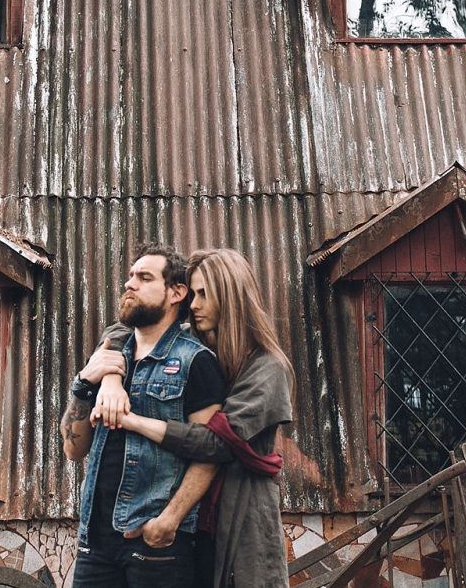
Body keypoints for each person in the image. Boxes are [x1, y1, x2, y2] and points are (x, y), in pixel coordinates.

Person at [93, 248, 294, 588]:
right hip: (193, 516)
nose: (194, 305)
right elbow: (122, 330)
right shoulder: (197, 346)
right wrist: (111, 381)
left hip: (240, 510)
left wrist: (132, 421)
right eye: (192, 294)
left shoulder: (268, 369)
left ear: (230, 298)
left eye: (203, 294)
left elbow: (216, 443)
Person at [60, 244, 227, 588]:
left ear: (176, 292)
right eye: (130, 276)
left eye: (144, 277)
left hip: (157, 544)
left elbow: (209, 453)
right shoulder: (109, 358)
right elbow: (73, 450)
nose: (129, 283)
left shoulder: (196, 361)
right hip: (95, 541)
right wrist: (82, 385)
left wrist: (170, 520)